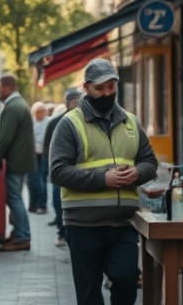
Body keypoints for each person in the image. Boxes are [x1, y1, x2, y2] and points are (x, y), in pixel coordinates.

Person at [50, 58, 158, 305]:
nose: (107, 93)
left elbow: (149, 162)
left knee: (127, 278)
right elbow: (57, 172)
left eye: (111, 87)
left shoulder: (130, 122)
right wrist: (103, 179)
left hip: (123, 224)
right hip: (82, 225)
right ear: (86, 88)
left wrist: (138, 173)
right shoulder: (69, 124)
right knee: (89, 293)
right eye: (100, 89)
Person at [0, 73, 36, 251]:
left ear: (8, 87)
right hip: (22, 161)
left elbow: (4, 139)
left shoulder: (12, 108)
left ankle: (22, 236)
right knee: (15, 197)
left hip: (15, 162)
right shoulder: (20, 105)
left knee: (14, 198)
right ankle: (18, 233)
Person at [44, 88, 83, 247]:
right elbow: (48, 148)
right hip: (60, 171)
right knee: (58, 202)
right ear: (67, 102)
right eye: (74, 100)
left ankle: (73, 231)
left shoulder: (87, 121)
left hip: (81, 170)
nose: (76, 103)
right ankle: (62, 232)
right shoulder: (55, 122)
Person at [28, 101, 49, 214]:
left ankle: (42, 205)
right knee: (32, 180)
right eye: (37, 112)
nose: (40, 113)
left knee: (41, 179)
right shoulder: (32, 123)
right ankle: (33, 204)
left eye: (42, 111)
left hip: (44, 155)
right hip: (33, 155)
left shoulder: (49, 122)